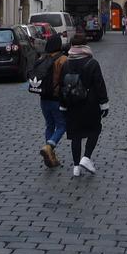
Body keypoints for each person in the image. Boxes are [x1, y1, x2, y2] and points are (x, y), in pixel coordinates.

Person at [60, 33, 108, 177]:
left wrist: (62, 105)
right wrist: (104, 103)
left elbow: (62, 86)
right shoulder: (92, 63)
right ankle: (86, 157)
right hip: (90, 104)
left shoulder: (66, 63)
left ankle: (76, 167)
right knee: (95, 129)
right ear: (85, 45)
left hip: (72, 105)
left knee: (76, 135)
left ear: (72, 46)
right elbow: (99, 84)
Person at [32, 34, 69, 167]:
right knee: (62, 125)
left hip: (43, 98)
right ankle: (49, 147)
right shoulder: (63, 59)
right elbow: (66, 81)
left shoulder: (42, 58)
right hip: (56, 98)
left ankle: (50, 156)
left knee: (49, 125)